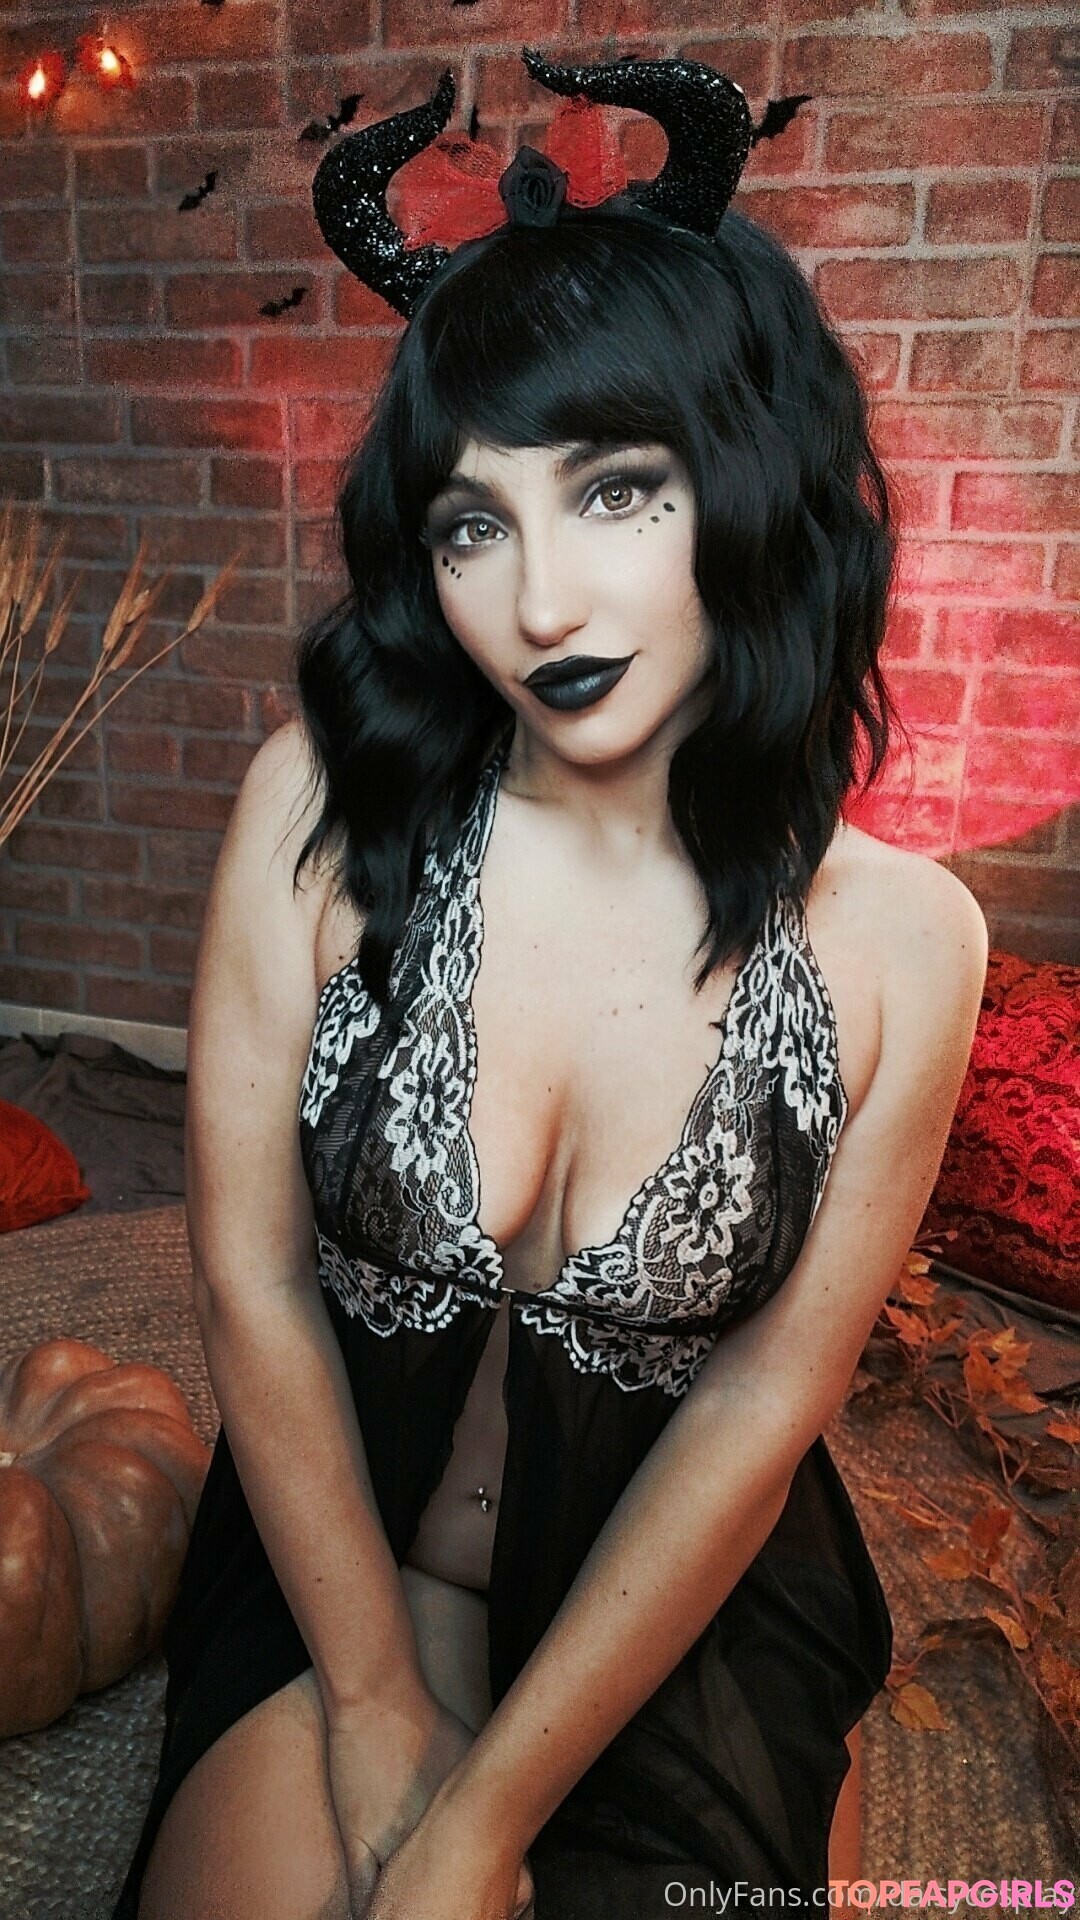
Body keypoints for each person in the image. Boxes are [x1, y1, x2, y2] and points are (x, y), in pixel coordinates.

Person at [113, 46, 988, 1920]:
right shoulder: (319, 813)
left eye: (615, 493)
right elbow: (253, 1279)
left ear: (745, 480)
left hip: (673, 1614)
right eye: (472, 523)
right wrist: (371, 1711)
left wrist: (483, 1821)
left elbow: (757, 1412)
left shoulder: (906, 943)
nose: (540, 607)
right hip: (348, 1565)